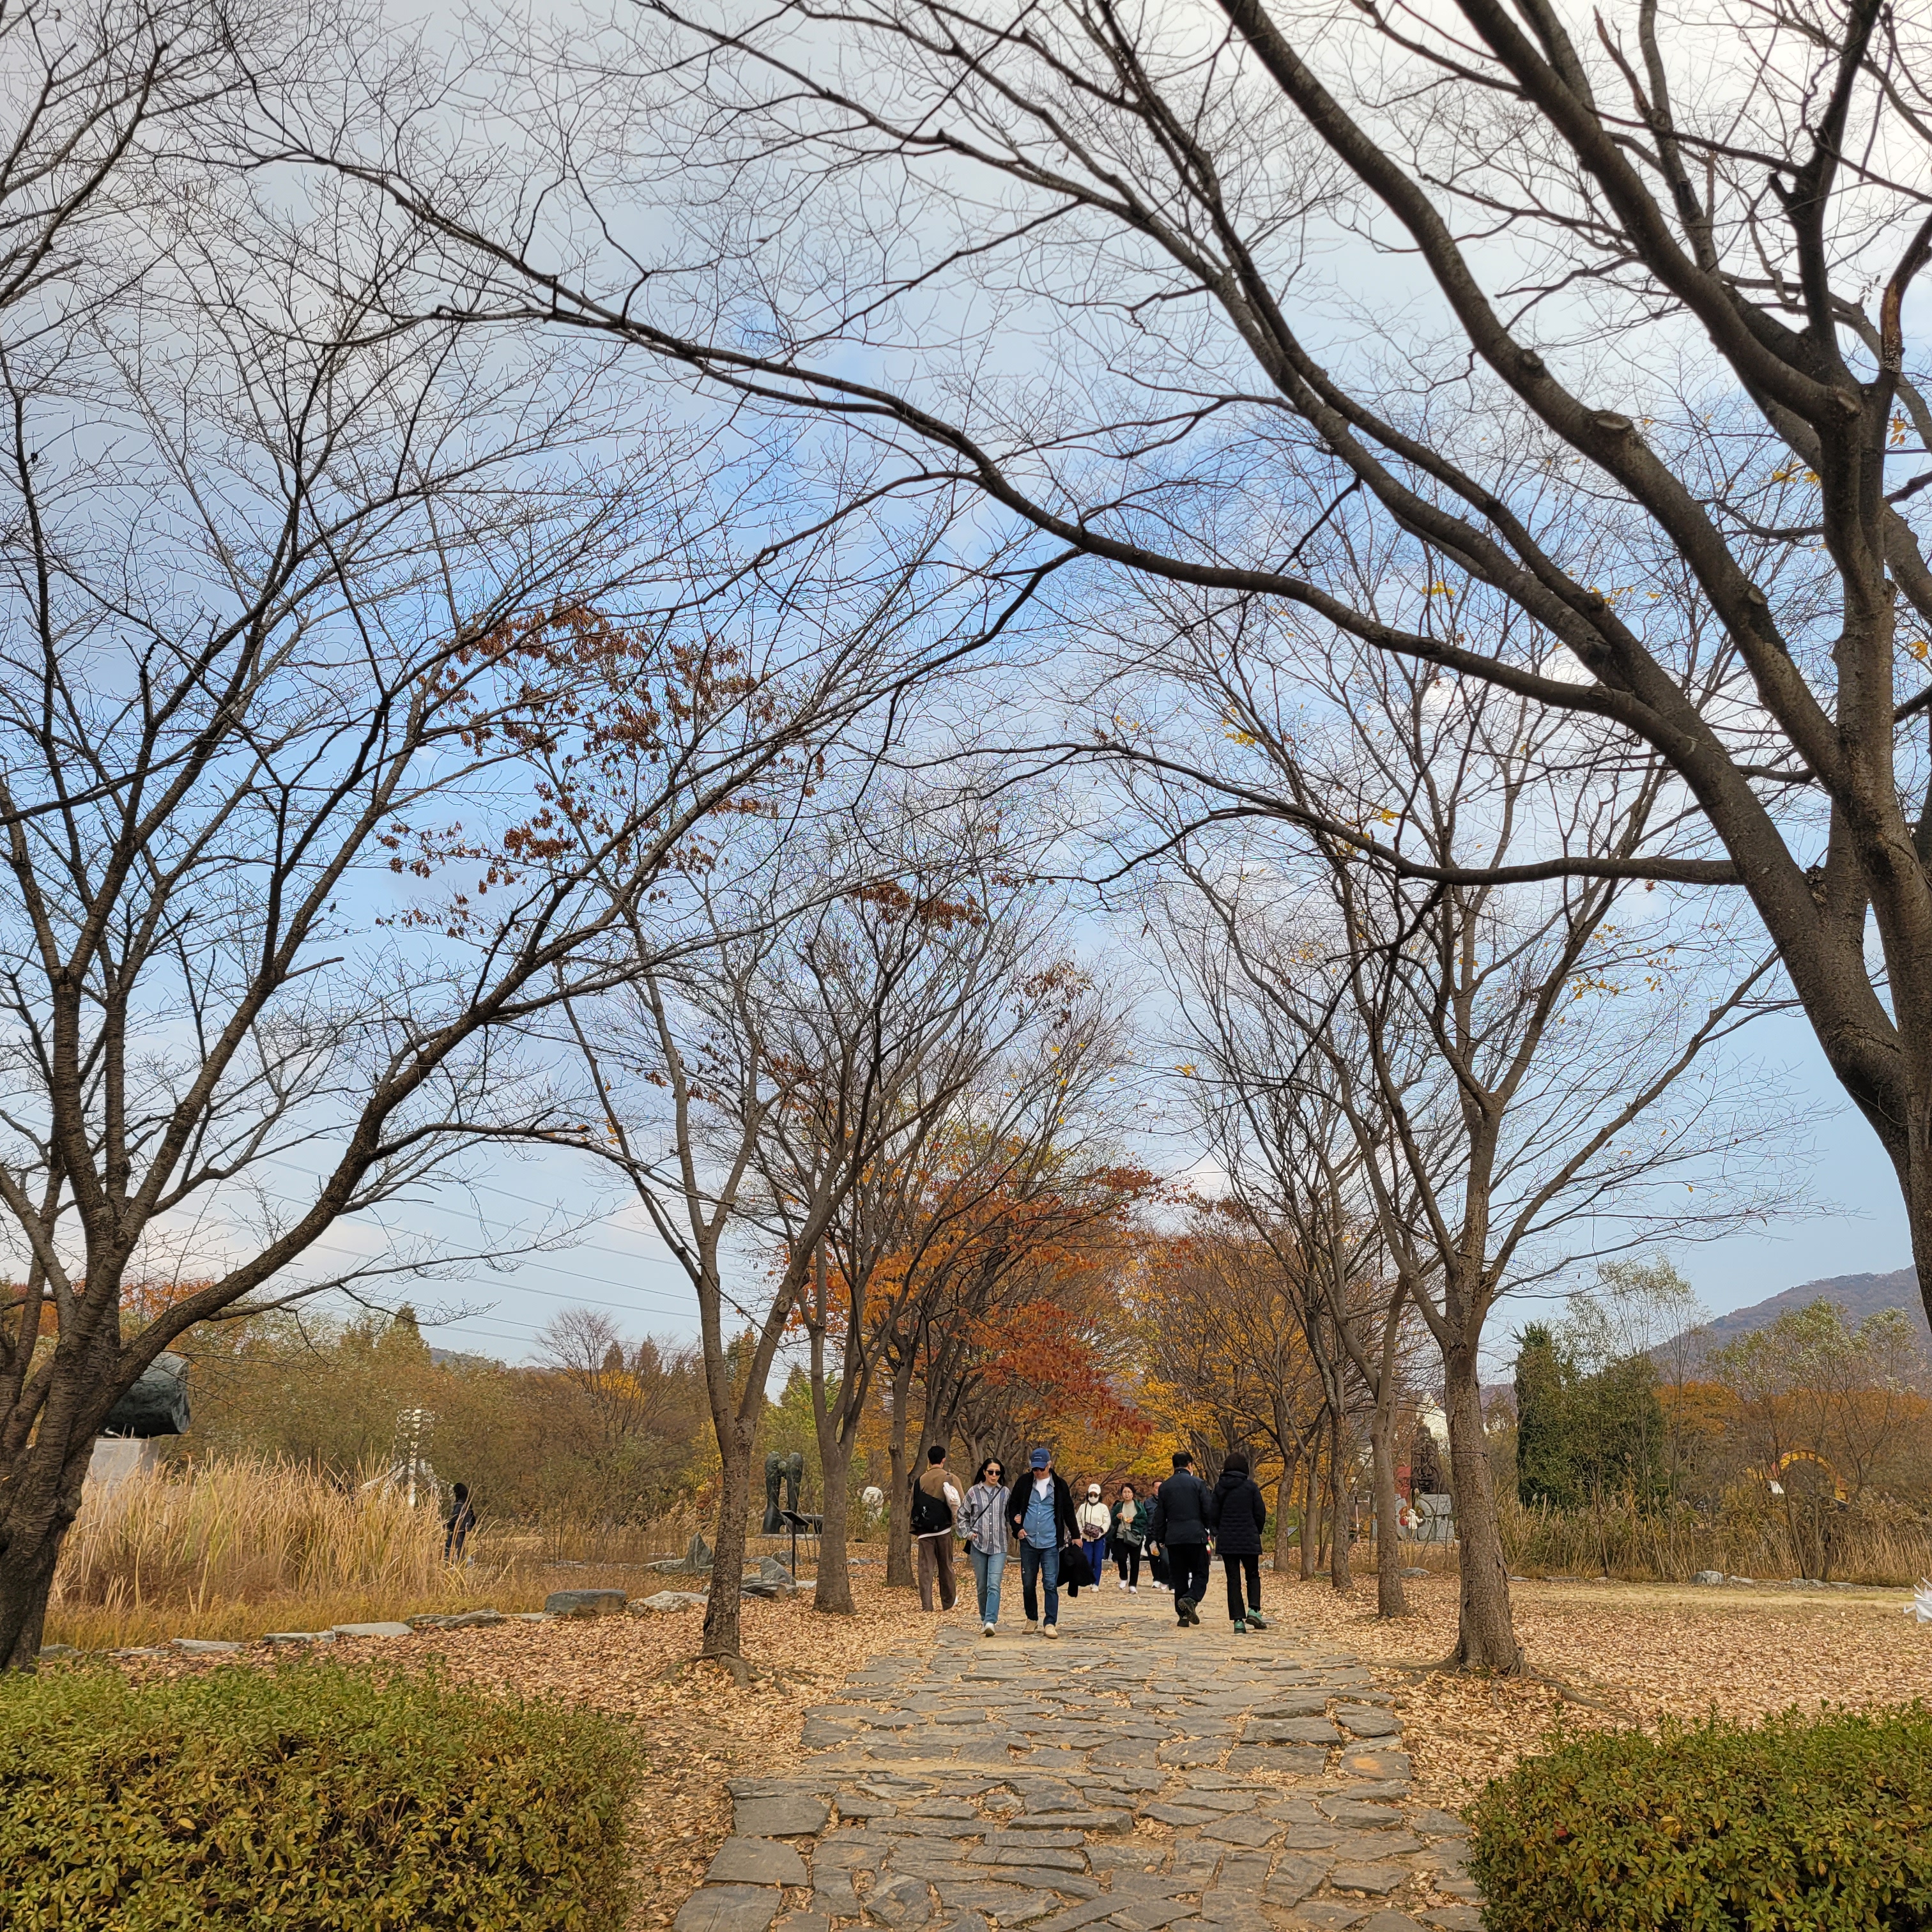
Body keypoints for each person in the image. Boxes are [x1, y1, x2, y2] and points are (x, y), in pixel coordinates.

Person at [1005, 1446, 1080, 1636]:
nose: (1038, 1472)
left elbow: (1068, 1511)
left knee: (1050, 1583)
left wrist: (1076, 1535)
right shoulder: (1024, 1483)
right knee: (1028, 1583)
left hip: (1051, 1542)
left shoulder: (1060, 1486)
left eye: (1041, 1468)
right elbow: (1012, 1507)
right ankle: (1031, 1619)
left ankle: (1050, 1622)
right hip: (1028, 1541)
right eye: (1035, 1469)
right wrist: (1017, 1529)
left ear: (1049, 1465)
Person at [1206, 1449, 1271, 1632]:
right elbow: (1260, 1512)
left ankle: (1238, 1622)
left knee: (1233, 1579)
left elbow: (1213, 1513)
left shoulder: (1220, 1488)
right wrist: (1257, 1530)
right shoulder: (1251, 1487)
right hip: (1248, 1537)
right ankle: (1254, 1610)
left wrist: (1217, 1532)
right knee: (1253, 1574)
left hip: (1228, 1540)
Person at [1149, 1450, 1212, 1627]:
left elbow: (1160, 1515)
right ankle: (1191, 1598)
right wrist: (1209, 1528)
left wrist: (1160, 1537)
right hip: (1195, 1535)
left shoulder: (1165, 1487)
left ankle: (1183, 1616)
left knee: (1180, 1576)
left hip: (1174, 1537)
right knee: (1201, 1573)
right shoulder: (1198, 1483)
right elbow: (1207, 1510)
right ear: (1190, 1465)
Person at [960, 1455, 1010, 1634]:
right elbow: (962, 1515)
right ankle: (984, 1618)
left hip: (999, 1545)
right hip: (978, 1545)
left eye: (998, 1473)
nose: (994, 1475)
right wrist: (968, 1533)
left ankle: (990, 1621)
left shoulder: (1005, 1493)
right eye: (991, 1472)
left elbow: (1011, 1515)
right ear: (984, 1472)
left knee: (994, 1584)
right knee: (982, 1585)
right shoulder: (973, 1492)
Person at [911, 1443, 963, 1613]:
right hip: (944, 1529)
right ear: (943, 1460)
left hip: (924, 1531)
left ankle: (927, 1606)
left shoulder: (919, 1481)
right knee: (946, 1566)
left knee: (925, 1569)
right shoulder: (951, 1478)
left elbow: (913, 1505)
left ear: (928, 1460)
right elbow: (961, 1502)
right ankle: (948, 1603)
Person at [1110, 1482, 1149, 1591]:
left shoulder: (1139, 1506)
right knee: (1121, 1558)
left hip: (1135, 1536)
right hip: (1121, 1536)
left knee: (1135, 1561)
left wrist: (1134, 1521)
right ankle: (1124, 1578)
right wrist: (1117, 1518)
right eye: (1125, 1492)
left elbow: (1144, 1520)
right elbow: (1112, 1521)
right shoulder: (1119, 1506)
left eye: (1129, 1492)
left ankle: (1133, 1584)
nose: (1127, 1494)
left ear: (1133, 1494)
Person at [1077, 1482, 1110, 1585]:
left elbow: (1107, 1521)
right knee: (1088, 1561)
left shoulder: (1103, 1508)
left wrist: (1101, 1530)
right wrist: (1080, 1530)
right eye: (1091, 1495)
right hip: (1086, 1539)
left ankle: (1096, 1583)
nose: (1093, 1497)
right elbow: (1078, 1520)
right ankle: (1089, 1580)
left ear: (1099, 1496)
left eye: (1095, 1495)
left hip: (1099, 1539)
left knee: (1097, 1561)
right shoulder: (1083, 1507)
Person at [444, 1482, 477, 1562]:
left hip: (459, 1528)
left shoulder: (460, 1503)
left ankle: (450, 1562)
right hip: (463, 1528)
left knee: (452, 1546)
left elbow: (456, 1517)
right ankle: (461, 1562)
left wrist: (447, 1525)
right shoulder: (467, 1503)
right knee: (458, 1546)